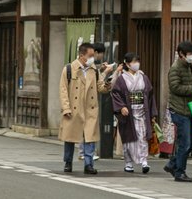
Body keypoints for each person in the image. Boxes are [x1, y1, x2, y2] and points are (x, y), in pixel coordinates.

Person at [59, 42, 119, 174]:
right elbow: (63, 90)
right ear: (82, 55)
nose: (93, 58)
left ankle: (89, 164)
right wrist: (66, 108)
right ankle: (68, 162)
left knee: (90, 137)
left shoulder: (94, 70)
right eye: (90, 55)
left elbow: (100, 88)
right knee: (70, 138)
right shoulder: (69, 69)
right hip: (74, 109)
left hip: (90, 108)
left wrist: (108, 82)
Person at [112, 52, 158, 174]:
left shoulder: (143, 77)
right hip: (128, 113)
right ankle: (128, 163)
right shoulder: (121, 79)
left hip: (142, 111)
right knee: (129, 138)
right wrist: (121, 107)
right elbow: (116, 94)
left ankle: (144, 161)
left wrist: (152, 114)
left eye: (137, 61)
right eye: (133, 62)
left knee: (142, 137)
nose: (136, 64)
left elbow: (150, 95)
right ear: (127, 63)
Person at [165, 40, 192, 182]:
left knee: (191, 142)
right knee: (185, 142)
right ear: (181, 54)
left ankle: (172, 164)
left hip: (189, 109)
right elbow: (175, 87)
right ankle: (180, 172)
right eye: (190, 54)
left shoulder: (188, 66)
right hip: (179, 110)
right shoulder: (175, 68)